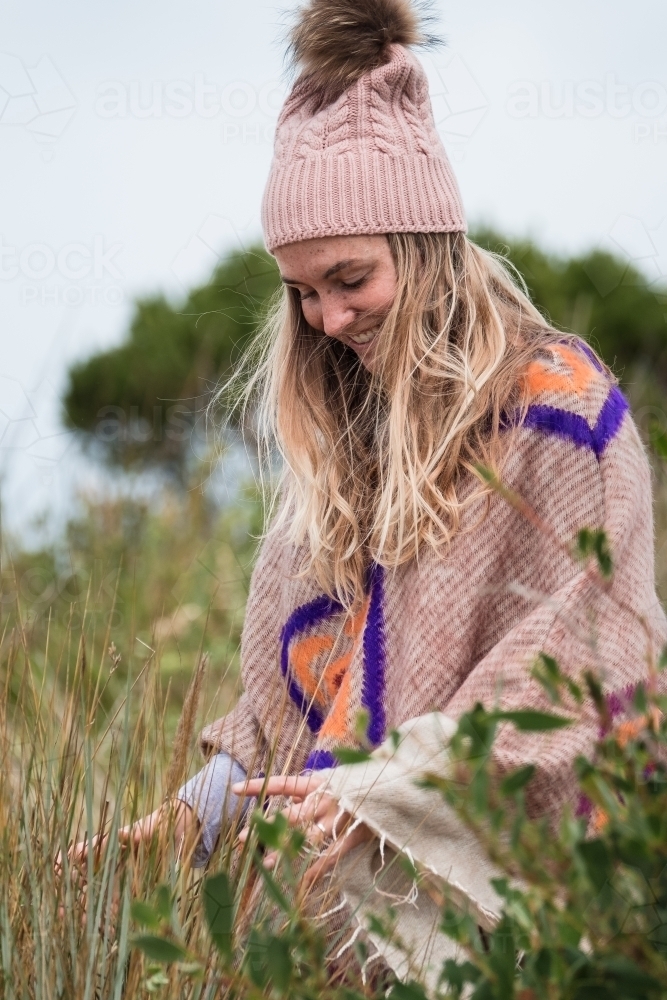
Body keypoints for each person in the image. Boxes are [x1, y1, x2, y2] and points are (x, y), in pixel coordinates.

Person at [70, 0, 667, 974]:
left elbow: (587, 664)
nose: (329, 316)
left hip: (550, 920)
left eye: (351, 277)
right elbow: (288, 714)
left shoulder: (561, 416)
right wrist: (192, 817)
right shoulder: (338, 468)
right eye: (302, 292)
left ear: (426, 244)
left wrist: (391, 786)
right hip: (365, 935)